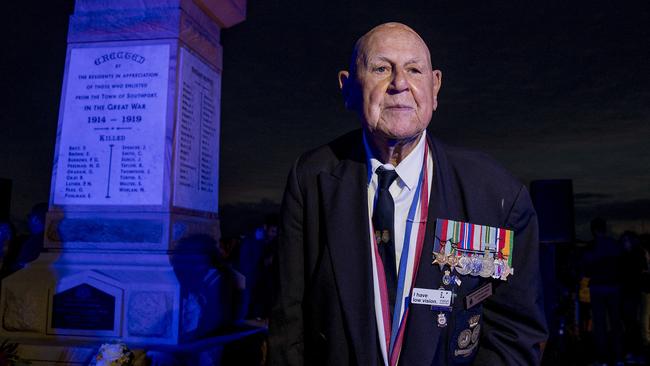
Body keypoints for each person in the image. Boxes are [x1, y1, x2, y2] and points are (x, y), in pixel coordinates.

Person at [269, 22, 548, 365]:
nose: (399, 84)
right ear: (348, 87)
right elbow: (289, 324)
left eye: (414, 69)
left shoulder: (496, 193)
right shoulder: (311, 179)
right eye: (381, 68)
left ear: (435, 87)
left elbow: (515, 334)